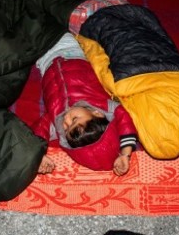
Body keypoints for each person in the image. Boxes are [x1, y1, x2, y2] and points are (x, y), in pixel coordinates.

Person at [69, 0, 179, 160]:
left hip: (137, 16)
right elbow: (95, 54)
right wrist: (78, 38)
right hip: (96, 18)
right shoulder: (121, 88)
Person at [32, 33, 138, 176]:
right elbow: (124, 120)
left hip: (45, 61)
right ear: (97, 114)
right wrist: (125, 154)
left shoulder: (55, 124)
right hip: (71, 53)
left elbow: (38, 131)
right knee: (55, 28)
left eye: (67, 129)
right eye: (75, 120)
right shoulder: (104, 107)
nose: (67, 121)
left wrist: (37, 155)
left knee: (29, 36)